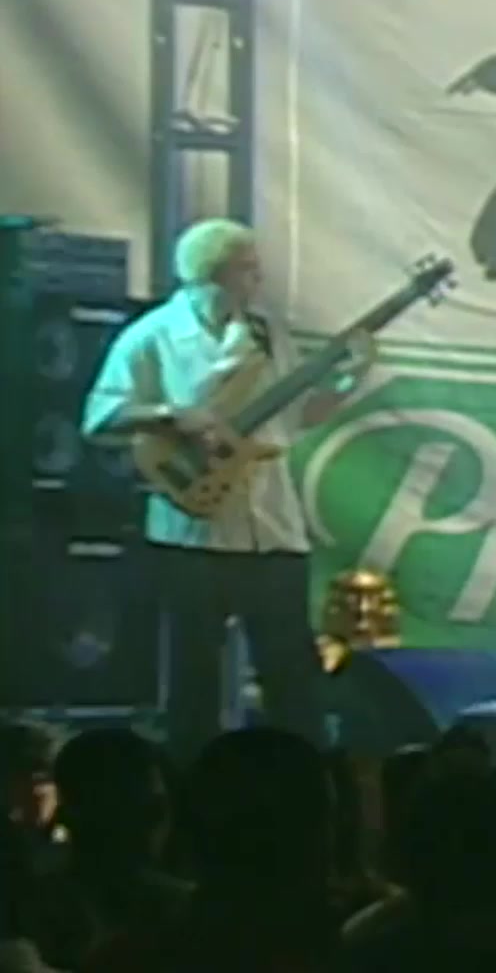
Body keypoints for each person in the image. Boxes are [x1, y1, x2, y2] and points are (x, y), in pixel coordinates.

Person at [82, 218, 373, 759]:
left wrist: (349, 378)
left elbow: (296, 418)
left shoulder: (267, 335)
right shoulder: (151, 336)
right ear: (209, 276)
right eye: (247, 269)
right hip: (193, 531)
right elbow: (101, 416)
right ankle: (193, 780)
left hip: (273, 526)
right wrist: (173, 415)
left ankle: (303, 779)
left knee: (292, 677)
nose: (257, 280)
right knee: (193, 683)